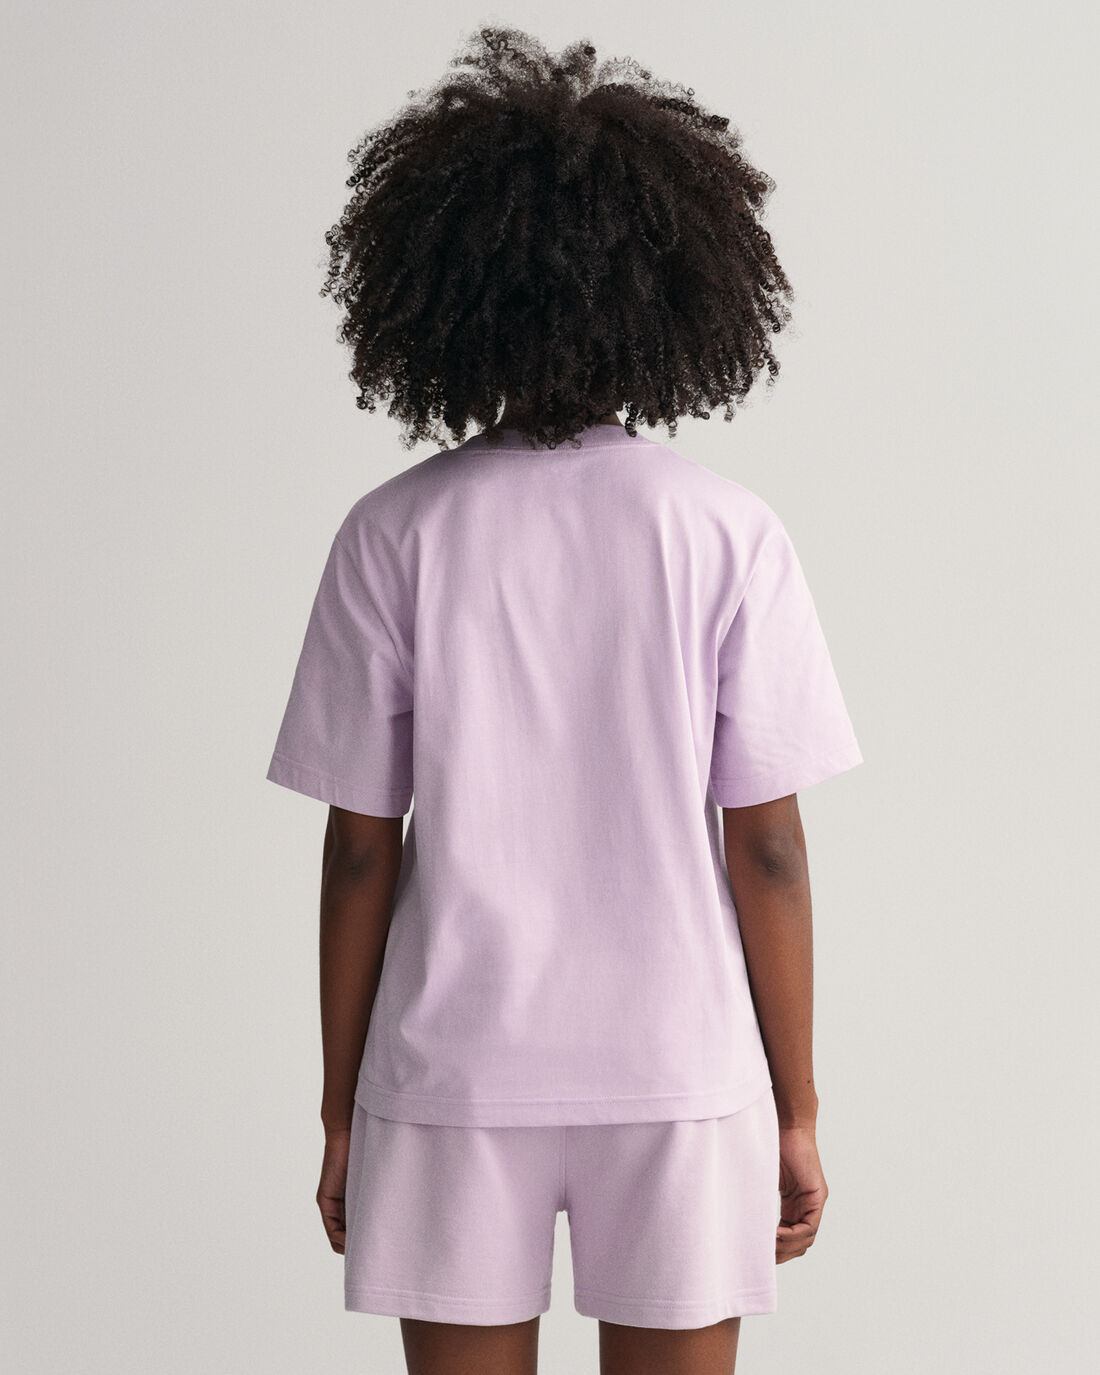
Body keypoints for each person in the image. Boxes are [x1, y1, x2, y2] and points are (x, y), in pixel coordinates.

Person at [265, 26, 863, 1375]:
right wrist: (798, 1108)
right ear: (678, 290)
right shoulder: (726, 532)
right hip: (679, 1069)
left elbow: (360, 847)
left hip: (451, 1068)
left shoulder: (393, 532)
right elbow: (767, 847)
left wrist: (341, 1110)